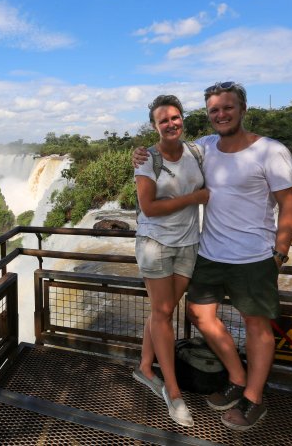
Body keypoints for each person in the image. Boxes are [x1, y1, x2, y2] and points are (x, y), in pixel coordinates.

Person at [133, 81, 292, 431]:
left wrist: (280, 253)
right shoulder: (205, 147)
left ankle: (253, 398)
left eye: (227, 108)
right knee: (197, 313)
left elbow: (289, 203)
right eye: (214, 110)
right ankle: (237, 377)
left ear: (242, 109)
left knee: (257, 326)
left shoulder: (270, 151)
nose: (221, 114)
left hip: (254, 255)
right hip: (208, 251)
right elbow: (167, 152)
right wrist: (141, 154)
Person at [132, 94, 209, 428]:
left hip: (189, 243)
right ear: (155, 126)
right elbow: (148, 207)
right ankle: (173, 393)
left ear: (183, 119)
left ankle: (145, 368)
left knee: (161, 312)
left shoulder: (197, 152)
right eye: (163, 120)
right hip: (156, 245)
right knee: (164, 314)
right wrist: (194, 198)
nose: (171, 124)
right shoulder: (147, 159)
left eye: (175, 117)